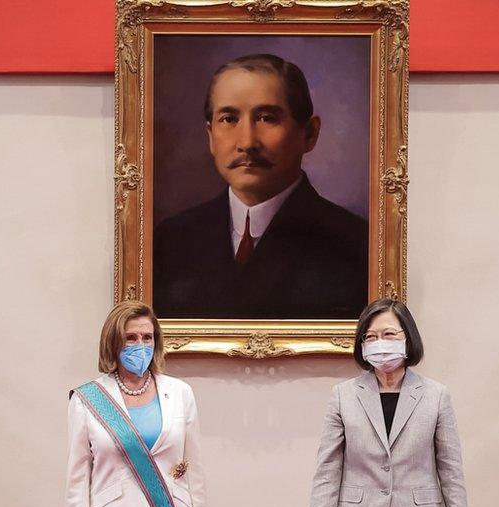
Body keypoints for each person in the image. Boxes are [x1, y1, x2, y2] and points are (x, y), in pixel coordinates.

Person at [153, 53, 367, 320]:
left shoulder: (356, 245)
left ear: (309, 134)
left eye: (266, 118)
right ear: (210, 136)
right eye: (229, 119)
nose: (247, 142)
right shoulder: (168, 241)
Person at [308, 299, 470, 507]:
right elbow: (327, 470)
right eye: (370, 337)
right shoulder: (343, 395)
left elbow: (451, 471)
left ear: (408, 338)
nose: (379, 343)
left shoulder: (436, 396)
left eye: (388, 334)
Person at [65, 301, 207, 507]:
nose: (140, 345)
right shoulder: (86, 401)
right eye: (131, 338)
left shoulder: (181, 393)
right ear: (113, 342)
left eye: (147, 337)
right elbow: (76, 486)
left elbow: (195, 478)